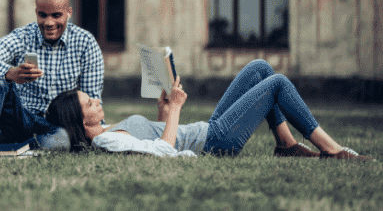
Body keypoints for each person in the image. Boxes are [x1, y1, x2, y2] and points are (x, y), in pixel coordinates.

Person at [46, 59, 375, 160]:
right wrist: (175, 109)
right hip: (215, 141)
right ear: (80, 120)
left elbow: (155, 138)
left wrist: (163, 111)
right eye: (88, 103)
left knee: (259, 69)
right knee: (278, 84)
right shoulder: (106, 142)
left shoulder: (106, 131)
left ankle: (286, 146)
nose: (94, 98)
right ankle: (332, 151)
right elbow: (163, 152)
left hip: (207, 129)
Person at [0, 0, 104, 153]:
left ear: (69, 12)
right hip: (20, 118)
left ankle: (4, 150)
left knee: (61, 139)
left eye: (56, 15)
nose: (49, 22)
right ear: (36, 12)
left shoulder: (85, 43)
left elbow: (92, 98)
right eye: (43, 15)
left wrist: (100, 137)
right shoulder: (23, 36)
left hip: (58, 127)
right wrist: (10, 72)